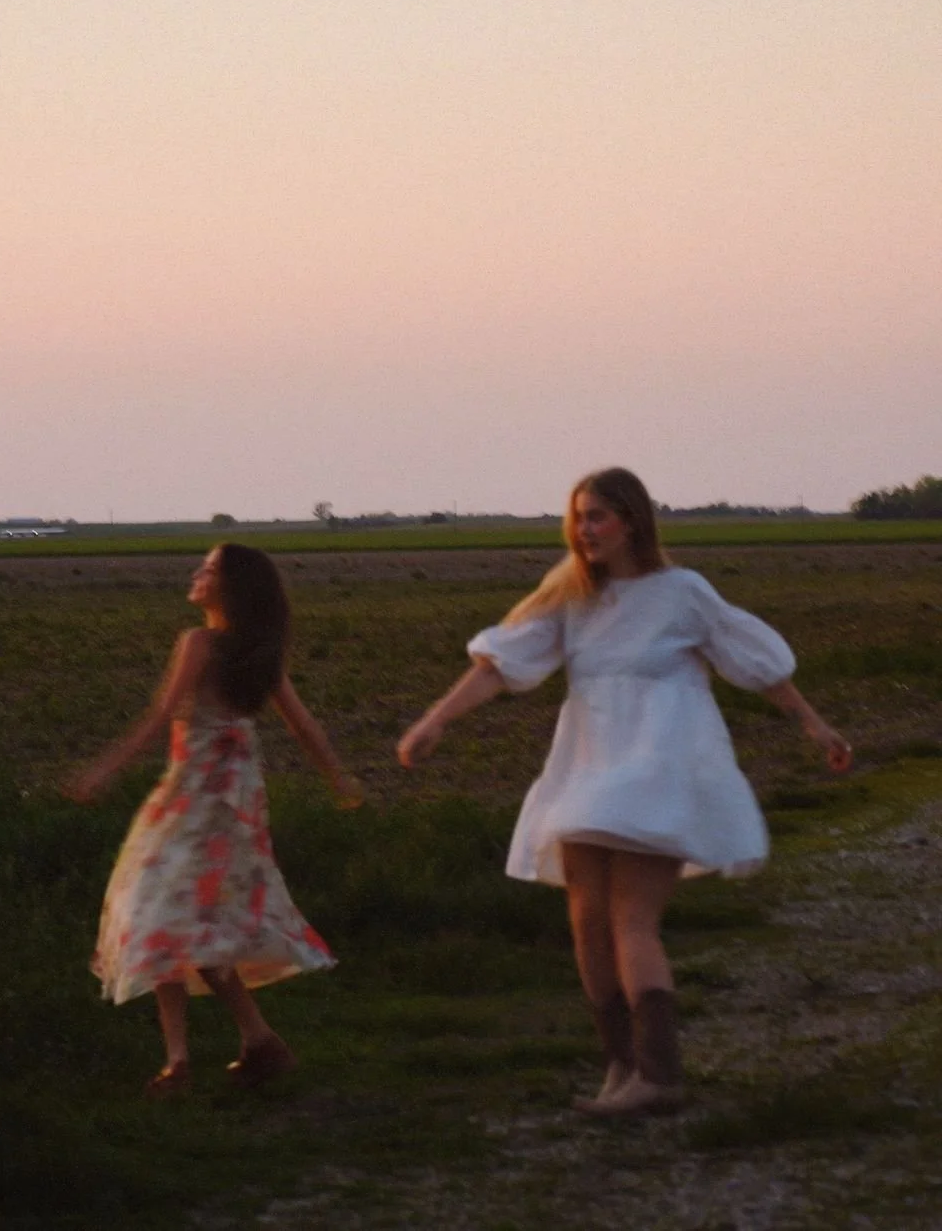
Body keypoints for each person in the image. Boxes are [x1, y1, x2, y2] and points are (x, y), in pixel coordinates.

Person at [397, 467, 852, 1117]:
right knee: (587, 923)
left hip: (661, 767)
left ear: (632, 521)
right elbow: (499, 667)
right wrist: (434, 721)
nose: (584, 531)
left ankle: (660, 1076)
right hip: (589, 765)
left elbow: (754, 665)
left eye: (597, 517)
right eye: (578, 518)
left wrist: (814, 724)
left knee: (631, 922)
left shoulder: (682, 592)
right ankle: (622, 1064)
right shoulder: (571, 595)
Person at [66, 543, 363, 1097]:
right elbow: (303, 725)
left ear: (230, 587)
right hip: (232, 806)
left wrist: (105, 769)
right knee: (183, 922)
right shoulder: (255, 653)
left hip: (193, 803)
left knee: (164, 915)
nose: (196, 575)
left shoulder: (200, 643)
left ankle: (197, 1058)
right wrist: (337, 777)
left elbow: (162, 713)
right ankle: (241, 1047)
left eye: (208, 570)